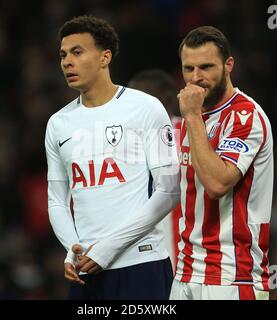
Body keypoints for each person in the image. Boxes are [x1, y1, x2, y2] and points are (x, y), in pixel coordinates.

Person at [44, 16, 180, 300]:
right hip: (86, 271)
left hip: (141, 264)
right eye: (63, 55)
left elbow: (169, 191)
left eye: (77, 52)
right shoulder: (58, 124)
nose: (67, 61)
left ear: (105, 57)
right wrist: (72, 248)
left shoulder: (145, 108)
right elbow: (57, 199)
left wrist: (108, 249)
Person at [170, 26, 274, 300]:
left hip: (232, 275)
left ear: (229, 65)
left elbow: (217, 184)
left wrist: (192, 116)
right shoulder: (187, 120)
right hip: (185, 271)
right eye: (188, 68)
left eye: (206, 67)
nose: (195, 78)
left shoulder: (245, 116)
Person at [128, 69, 182, 272]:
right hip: (143, 258)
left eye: (140, 100)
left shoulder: (188, 135)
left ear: (166, 100)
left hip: (185, 257)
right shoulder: (126, 143)